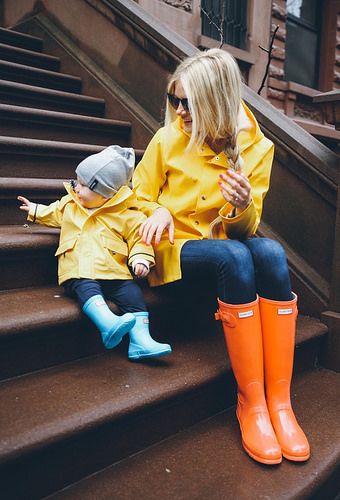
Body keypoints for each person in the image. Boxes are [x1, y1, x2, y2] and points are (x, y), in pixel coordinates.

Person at [132, 49, 310, 464]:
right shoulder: (169, 137)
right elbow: (134, 198)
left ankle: (278, 404)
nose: (178, 111)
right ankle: (250, 402)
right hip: (174, 250)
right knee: (235, 257)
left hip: (224, 248)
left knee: (269, 250)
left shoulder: (256, 147)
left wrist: (243, 205)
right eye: (174, 99)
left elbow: (245, 231)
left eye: (188, 102)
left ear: (216, 101)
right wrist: (156, 208)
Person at [17, 145, 172, 361]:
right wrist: (34, 210)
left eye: (83, 185)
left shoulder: (128, 215)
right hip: (78, 269)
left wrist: (141, 260)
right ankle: (107, 324)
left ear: (105, 193)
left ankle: (141, 341)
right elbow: (53, 213)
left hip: (114, 271)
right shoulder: (70, 204)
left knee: (132, 294)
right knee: (87, 288)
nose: (77, 188)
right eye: (77, 181)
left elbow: (140, 240)